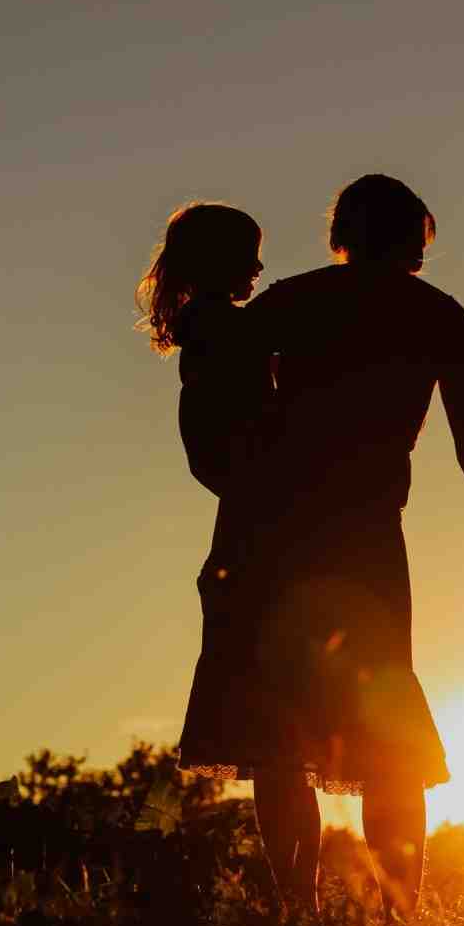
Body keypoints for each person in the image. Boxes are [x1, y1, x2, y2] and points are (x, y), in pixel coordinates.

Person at [238, 174, 464, 917]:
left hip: (282, 539)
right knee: (388, 742)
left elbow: (220, 401)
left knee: (283, 736)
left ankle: (297, 913)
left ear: (344, 230)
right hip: (366, 546)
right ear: (417, 235)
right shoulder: (437, 317)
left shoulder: (290, 303)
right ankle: (397, 921)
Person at [135, 203, 276, 789]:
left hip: (245, 522)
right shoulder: (225, 329)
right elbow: (220, 451)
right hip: (257, 526)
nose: (260, 266)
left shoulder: (216, 329)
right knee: (277, 722)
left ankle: (294, 885)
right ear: (218, 262)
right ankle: (295, 883)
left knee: (273, 733)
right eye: (248, 254)